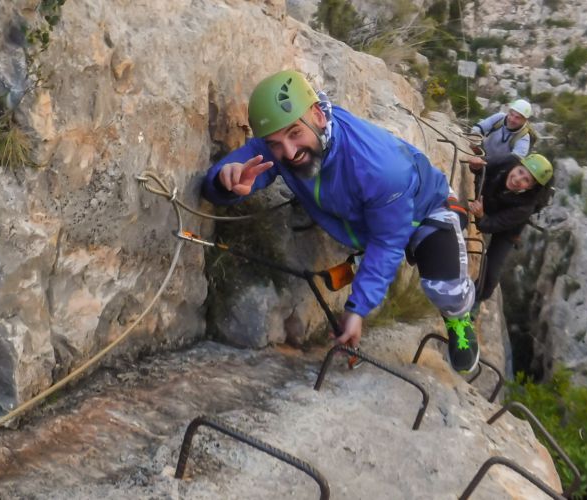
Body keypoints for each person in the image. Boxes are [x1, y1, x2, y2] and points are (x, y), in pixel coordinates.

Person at [201, 70, 479, 373]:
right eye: (275, 143)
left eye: (295, 134)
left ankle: (460, 318)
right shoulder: (282, 146)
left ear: (319, 116)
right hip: (368, 217)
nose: (289, 152)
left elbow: (386, 242)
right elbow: (244, 166)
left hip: (424, 209)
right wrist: (224, 183)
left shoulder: (381, 167)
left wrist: (358, 308)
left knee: (443, 288)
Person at [465, 153, 553, 306]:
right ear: (517, 165)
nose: (518, 179)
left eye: (526, 180)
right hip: (491, 202)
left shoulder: (525, 207)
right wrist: (476, 167)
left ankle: (476, 300)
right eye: (520, 171)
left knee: (491, 271)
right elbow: (484, 167)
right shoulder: (507, 161)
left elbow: (489, 225)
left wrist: (481, 216)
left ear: (531, 187)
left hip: (508, 228)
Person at [468, 99, 534, 168]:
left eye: (517, 118)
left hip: (499, 167)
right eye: (511, 114)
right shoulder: (500, 118)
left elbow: (514, 159)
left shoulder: (524, 137)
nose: (512, 119)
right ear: (508, 112)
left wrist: (485, 160)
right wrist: (474, 139)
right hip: (481, 153)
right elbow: (480, 127)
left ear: (524, 121)